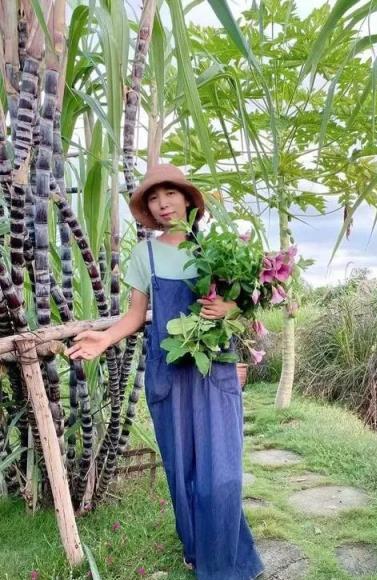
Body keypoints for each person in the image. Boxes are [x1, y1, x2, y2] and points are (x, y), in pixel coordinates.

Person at [66, 164, 265, 580]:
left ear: (188, 199)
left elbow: (248, 304)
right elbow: (136, 316)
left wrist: (231, 307)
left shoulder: (215, 247)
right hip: (169, 371)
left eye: (170, 194)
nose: (163, 204)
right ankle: (198, 550)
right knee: (183, 469)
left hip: (216, 371)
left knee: (223, 474)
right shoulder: (145, 254)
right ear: (149, 209)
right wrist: (103, 340)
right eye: (154, 199)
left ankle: (227, 561)